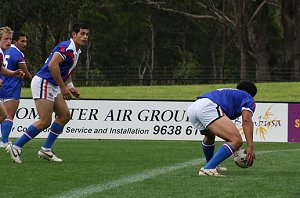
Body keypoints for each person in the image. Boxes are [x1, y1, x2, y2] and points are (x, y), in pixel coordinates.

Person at [6, 23, 89, 163]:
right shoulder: (66, 47)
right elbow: (52, 65)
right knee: (45, 121)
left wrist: (70, 86)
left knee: (64, 115)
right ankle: (16, 146)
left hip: (52, 84)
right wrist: (63, 88)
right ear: (74, 35)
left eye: (87, 34)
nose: (85, 37)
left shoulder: (76, 51)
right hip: (44, 82)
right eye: (82, 33)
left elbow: (65, 70)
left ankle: (46, 149)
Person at [187, 80, 257, 176]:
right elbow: (247, 120)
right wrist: (250, 146)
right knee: (236, 140)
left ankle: (211, 164)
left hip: (194, 107)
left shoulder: (230, 93)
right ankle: (208, 168)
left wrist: (235, 146)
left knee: (210, 135)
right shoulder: (248, 98)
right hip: (207, 107)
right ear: (252, 95)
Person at [0, 31, 32, 148]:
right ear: (15, 41)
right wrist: (35, 82)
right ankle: (4, 141)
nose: (25, 43)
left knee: (3, 115)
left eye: (26, 41)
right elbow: (25, 73)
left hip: (2, 85)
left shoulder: (4, 51)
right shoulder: (18, 54)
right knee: (9, 115)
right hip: (11, 87)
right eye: (22, 41)